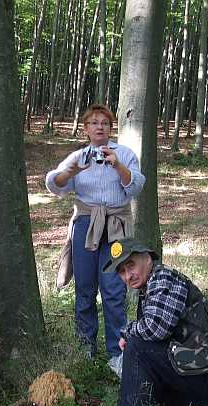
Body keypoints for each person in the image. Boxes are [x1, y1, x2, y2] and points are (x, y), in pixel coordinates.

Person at [97, 238, 208, 406]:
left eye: (131, 265)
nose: (128, 276)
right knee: (145, 370)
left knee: (136, 346)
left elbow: (156, 329)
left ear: (147, 257)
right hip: (201, 365)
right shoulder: (150, 284)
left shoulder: (164, 278)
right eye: (121, 271)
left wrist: (127, 332)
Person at [45, 104, 145, 367]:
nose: (100, 127)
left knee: (114, 289)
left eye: (105, 123)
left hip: (115, 227)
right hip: (86, 226)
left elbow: (136, 186)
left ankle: (118, 352)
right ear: (86, 128)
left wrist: (118, 166)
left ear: (111, 129)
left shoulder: (124, 154)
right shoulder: (78, 157)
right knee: (85, 288)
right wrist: (72, 172)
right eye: (94, 123)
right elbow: (54, 184)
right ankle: (85, 347)